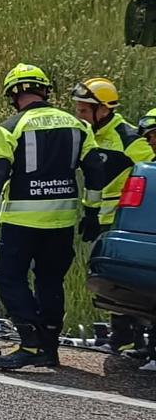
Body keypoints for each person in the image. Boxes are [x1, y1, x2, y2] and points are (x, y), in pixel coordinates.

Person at [0, 63, 95, 372]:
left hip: (22, 223)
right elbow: (96, 172)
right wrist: (92, 211)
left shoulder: (10, 128)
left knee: (9, 278)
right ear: (44, 91)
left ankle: (29, 343)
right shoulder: (78, 126)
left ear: (14, 95)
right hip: (62, 221)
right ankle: (49, 349)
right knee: (51, 281)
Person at [71, 77, 155, 366]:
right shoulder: (89, 133)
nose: (79, 115)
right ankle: (122, 337)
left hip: (122, 222)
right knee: (113, 284)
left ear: (103, 110)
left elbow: (149, 169)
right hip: (100, 219)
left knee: (126, 283)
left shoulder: (127, 138)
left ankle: (129, 338)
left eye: (84, 110)